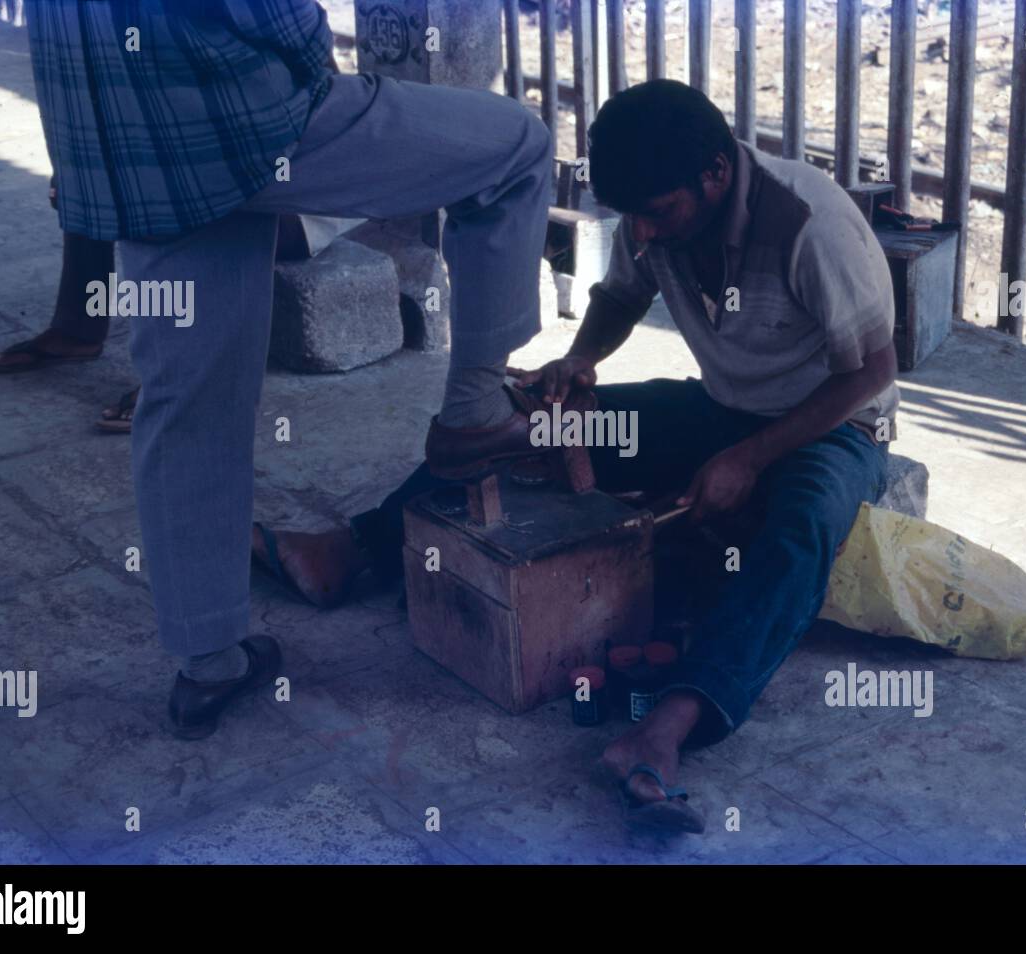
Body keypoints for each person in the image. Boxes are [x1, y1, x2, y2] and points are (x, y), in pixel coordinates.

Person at [254, 79, 900, 832]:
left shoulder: (807, 223)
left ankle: (668, 729)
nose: (646, 235)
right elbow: (623, 296)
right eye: (635, 220)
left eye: (658, 215)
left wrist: (751, 459)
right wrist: (581, 361)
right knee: (541, 431)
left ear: (716, 174)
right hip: (725, 408)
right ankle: (351, 548)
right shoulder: (654, 214)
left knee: (802, 527)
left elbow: (873, 372)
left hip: (836, 425)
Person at [25, 0, 554, 739]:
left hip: (116, 135)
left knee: (188, 399)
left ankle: (208, 665)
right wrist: (309, 63)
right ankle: (473, 412)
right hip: (233, 115)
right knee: (517, 147)